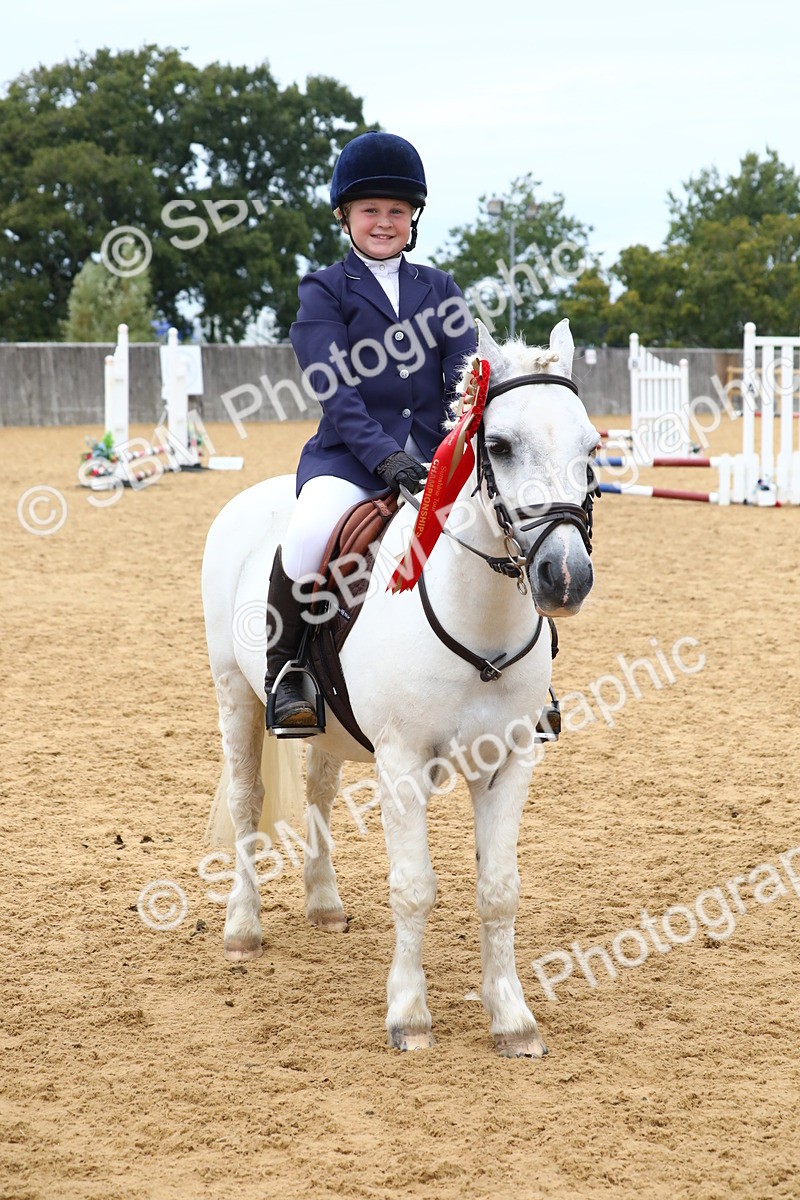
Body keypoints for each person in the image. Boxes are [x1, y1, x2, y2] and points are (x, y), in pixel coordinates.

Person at [265, 131, 477, 731]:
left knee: (502, 526)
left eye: (396, 211)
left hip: (439, 458)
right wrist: (386, 458)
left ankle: (529, 677)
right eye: (370, 211)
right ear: (345, 216)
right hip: (351, 459)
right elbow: (335, 389)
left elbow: (463, 379)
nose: (384, 222)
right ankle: (289, 672)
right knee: (307, 537)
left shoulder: (441, 289)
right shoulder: (323, 290)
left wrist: (445, 455)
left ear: (413, 217)